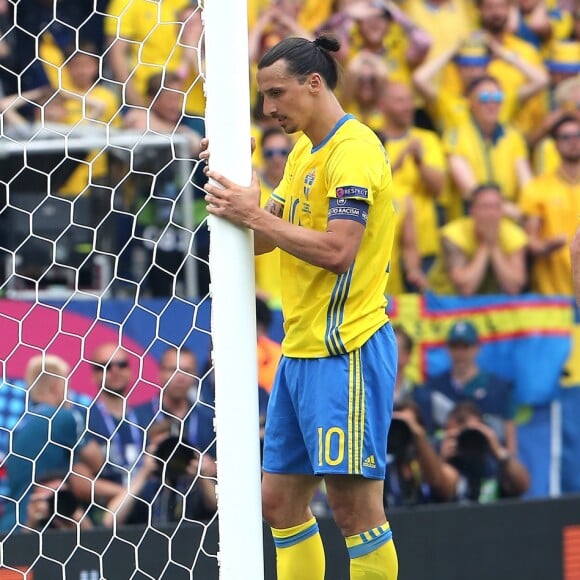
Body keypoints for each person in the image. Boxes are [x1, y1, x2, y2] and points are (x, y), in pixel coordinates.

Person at [203, 34, 398, 580]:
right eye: (263, 96)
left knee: (354, 510)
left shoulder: (354, 150)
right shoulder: (305, 152)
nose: (268, 109)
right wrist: (236, 179)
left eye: (276, 93)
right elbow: (266, 236)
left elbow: (339, 252)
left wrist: (256, 214)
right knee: (280, 503)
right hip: (301, 349)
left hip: (346, 349)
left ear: (314, 83)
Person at [414, 320, 518, 455]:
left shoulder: (499, 388)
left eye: (466, 346)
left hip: (487, 464)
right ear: (447, 349)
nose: (460, 353)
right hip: (445, 465)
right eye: (455, 346)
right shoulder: (432, 389)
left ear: (477, 348)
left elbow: (510, 443)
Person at [428, 183, 528, 296]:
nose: (491, 213)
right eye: (485, 207)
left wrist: (494, 246)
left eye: (496, 207)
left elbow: (514, 287)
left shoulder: (515, 235)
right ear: (472, 210)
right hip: (444, 302)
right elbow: (465, 289)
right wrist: (485, 245)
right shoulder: (453, 235)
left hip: (487, 303)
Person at [520, 115, 580, 295]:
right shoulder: (536, 188)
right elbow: (531, 241)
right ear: (554, 144)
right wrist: (547, 246)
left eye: (578, 135)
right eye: (565, 137)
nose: (573, 141)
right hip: (554, 295)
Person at [439, 401, 530, 502]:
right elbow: (429, 491)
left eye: (473, 435)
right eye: (461, 435)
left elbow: (522, 486)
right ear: (447, 431)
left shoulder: (493, 461)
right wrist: (441, 461)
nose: (468, 441)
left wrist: (499, 451)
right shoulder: (437, 452)